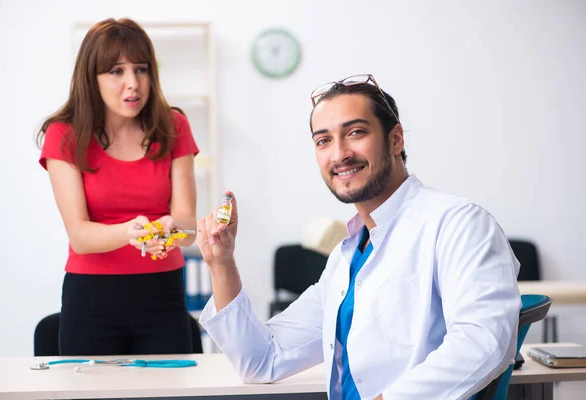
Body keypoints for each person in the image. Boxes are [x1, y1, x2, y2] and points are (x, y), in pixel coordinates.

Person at [196, 74, 521, 399]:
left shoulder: (458, 224)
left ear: (395, 140)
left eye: (355, 133)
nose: (339, 154)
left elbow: (485, 341)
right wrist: (221, 263)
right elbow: (262, 360)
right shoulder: (345, 257)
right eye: (323, 140)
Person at [37, 18, 199, 356]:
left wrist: (172, 227)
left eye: (141, 69)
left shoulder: (174, 126)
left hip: (163, 294)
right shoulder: (63, 135)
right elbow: (79, 236)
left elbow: (187, 229)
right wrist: (131, 232)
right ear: (91, 78)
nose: (133, 84)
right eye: (116, 71)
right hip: (92, 297)